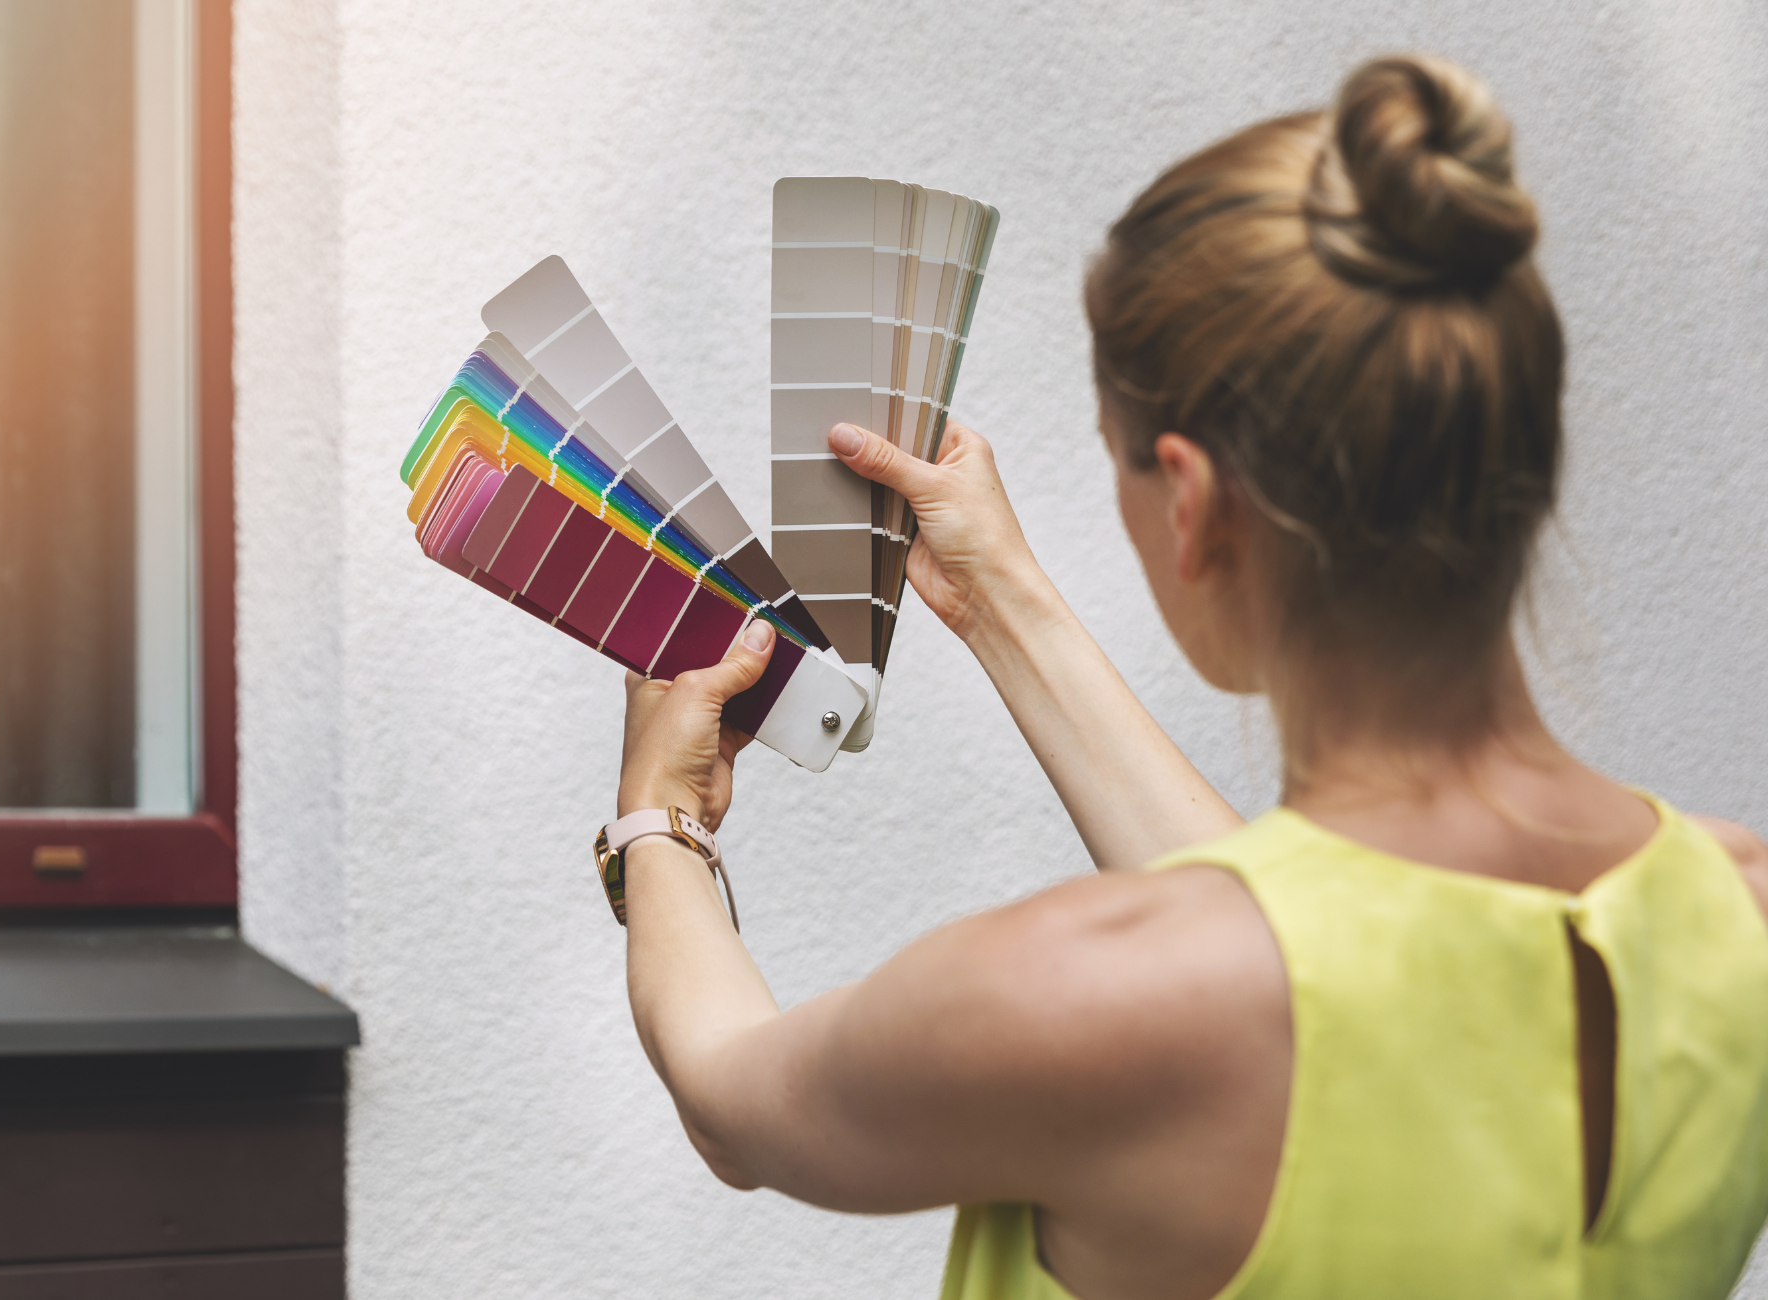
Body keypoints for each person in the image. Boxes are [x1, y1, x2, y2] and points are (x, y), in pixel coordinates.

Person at [604, 53, 1768, 1300]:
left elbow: (732, 1096)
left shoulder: (1086, 994)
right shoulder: (1735, 913)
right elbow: (1323, 951)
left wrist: (658, 822)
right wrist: (999, 600)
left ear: (1196, 504)